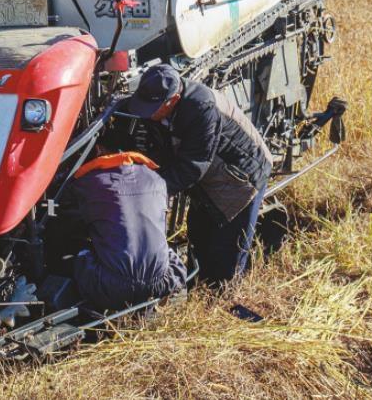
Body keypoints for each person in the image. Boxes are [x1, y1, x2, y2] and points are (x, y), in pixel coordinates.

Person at [123, 64, 273, 284]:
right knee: (199, 237)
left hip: (242, 178)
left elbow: (193, 165)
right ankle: (202, 284)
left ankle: (224, 300)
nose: (148, 114)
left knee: (227, 250)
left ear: (172, 100)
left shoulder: (201, 108)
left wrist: (151, 194)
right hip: (211, 179)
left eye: (152, 108)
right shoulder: (165, 106)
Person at [64, 146, 187, 311]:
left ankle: (95, 313)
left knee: (78, 249)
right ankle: (144, 308)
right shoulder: (157, 179)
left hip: (112, 287)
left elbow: (70, 224)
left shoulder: (87, 183)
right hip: (163, 280)